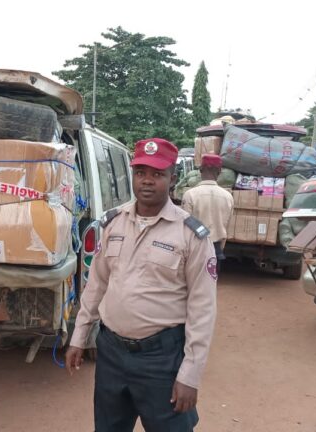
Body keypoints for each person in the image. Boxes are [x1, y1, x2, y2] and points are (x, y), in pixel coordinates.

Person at [66, 138, 218, 432]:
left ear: (172, 179)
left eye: (157, 174)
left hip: (161, 359)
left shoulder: (192, 236)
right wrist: (79, 335)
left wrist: (191, 374)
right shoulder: (112, 223)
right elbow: (95, 284)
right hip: (110, 352)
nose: (147, 181)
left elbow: (203, 309)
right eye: (141, 172)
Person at [181, 154, 234, 264]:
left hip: (194, 249)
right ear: (219, 172)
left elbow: (185, 226)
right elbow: (227, 226)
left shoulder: (190, 195)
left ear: (200, 170)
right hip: (216, 250)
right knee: (211, 280)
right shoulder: (228, 197)